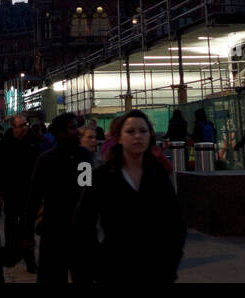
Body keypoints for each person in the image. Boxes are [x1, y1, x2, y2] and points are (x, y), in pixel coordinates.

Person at [75, 110, 186, 284]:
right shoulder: (87, 164)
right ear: (119, 137)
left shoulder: (157, 175)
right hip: (114, 269)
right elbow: (83, 208)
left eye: (143, 131)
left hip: (155, 270)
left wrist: (170, 263)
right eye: (130, 131)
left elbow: (175, 223)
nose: (137, 137)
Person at [23, 113, 93, 283]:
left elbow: (87, 192)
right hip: (55, 230)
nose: (77, 131)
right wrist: (27, 233)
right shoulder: (47, 161)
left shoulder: (83, 157)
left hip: (74, 230)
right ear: (61, 132)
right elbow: (33, 198)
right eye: (72, 127)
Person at [0, 113, 40, 273]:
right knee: (11, 224)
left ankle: (29, 257)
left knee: (28, 226)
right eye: (21, 125)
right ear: (13, 127)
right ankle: (12, 253)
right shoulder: (5, 144)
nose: (25, 128)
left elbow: (39, 166)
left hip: (29, 192)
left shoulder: (33, 141)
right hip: (11, 192)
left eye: (26, 124)